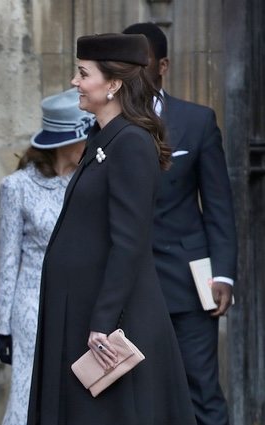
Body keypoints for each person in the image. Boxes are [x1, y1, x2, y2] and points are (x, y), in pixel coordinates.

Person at [27, 33, 197, 425]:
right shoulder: (103, 138)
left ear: (113, 84)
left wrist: (103, 320)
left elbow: (129, 241)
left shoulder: (131, 143)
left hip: (107, 316)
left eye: (83, 74)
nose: (75, 82)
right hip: (80, 308)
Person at [123, 22, 237, 425]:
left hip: (189, 285)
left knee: (201, 392)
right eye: (125, 63)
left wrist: (224, 274)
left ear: (163, 65)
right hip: (127, 286)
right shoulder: (104, 123)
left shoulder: (197, 121)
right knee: (135, 397)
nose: (133, 71)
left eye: (142, 62)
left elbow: (219, 205)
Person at [0, 87, 92, 425]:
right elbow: (8, 260)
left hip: (85, 303)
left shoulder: (93, 180)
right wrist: (2, 327)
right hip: (33, 304)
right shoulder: (17, 186)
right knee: (27, 392)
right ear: (66, 142)